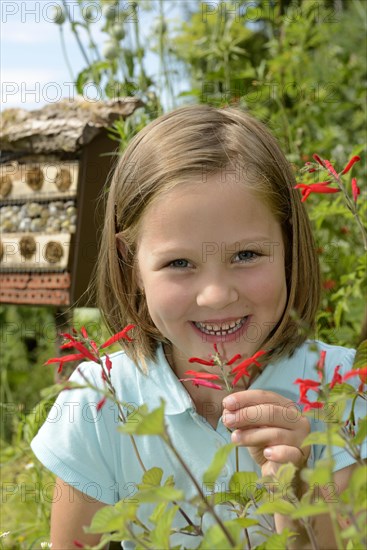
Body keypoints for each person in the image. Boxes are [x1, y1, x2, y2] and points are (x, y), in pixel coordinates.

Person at [31, 105, 366, 549]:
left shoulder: (343, 387)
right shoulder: (99, 398)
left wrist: (299, 492)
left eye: (246, 255)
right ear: (131, 265)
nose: (215, 295)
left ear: (287, 244)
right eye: (179, 263)